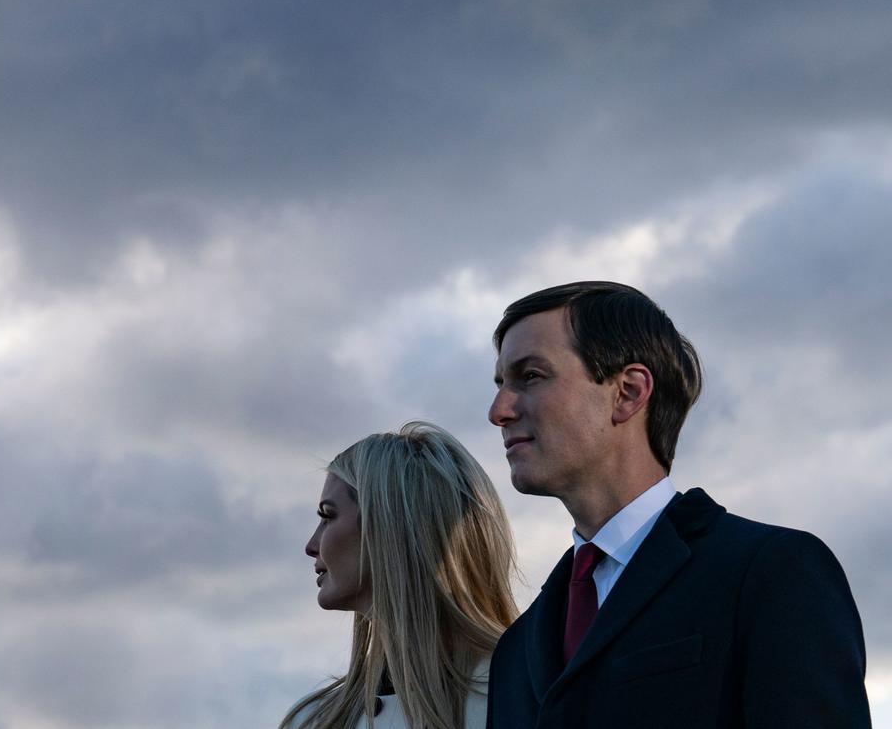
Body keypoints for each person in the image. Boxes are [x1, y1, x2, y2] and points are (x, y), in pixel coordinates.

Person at [486, 281, 870, 727]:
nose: (499, 410)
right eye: (500, 384)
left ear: (628, 392)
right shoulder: (516, 649)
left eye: (530, 376)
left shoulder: (772, 572)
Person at [281, 421, 518, 729]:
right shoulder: (314, 719)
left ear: (388, 528)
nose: (311, 546)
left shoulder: (526, 694)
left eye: (328, 516)